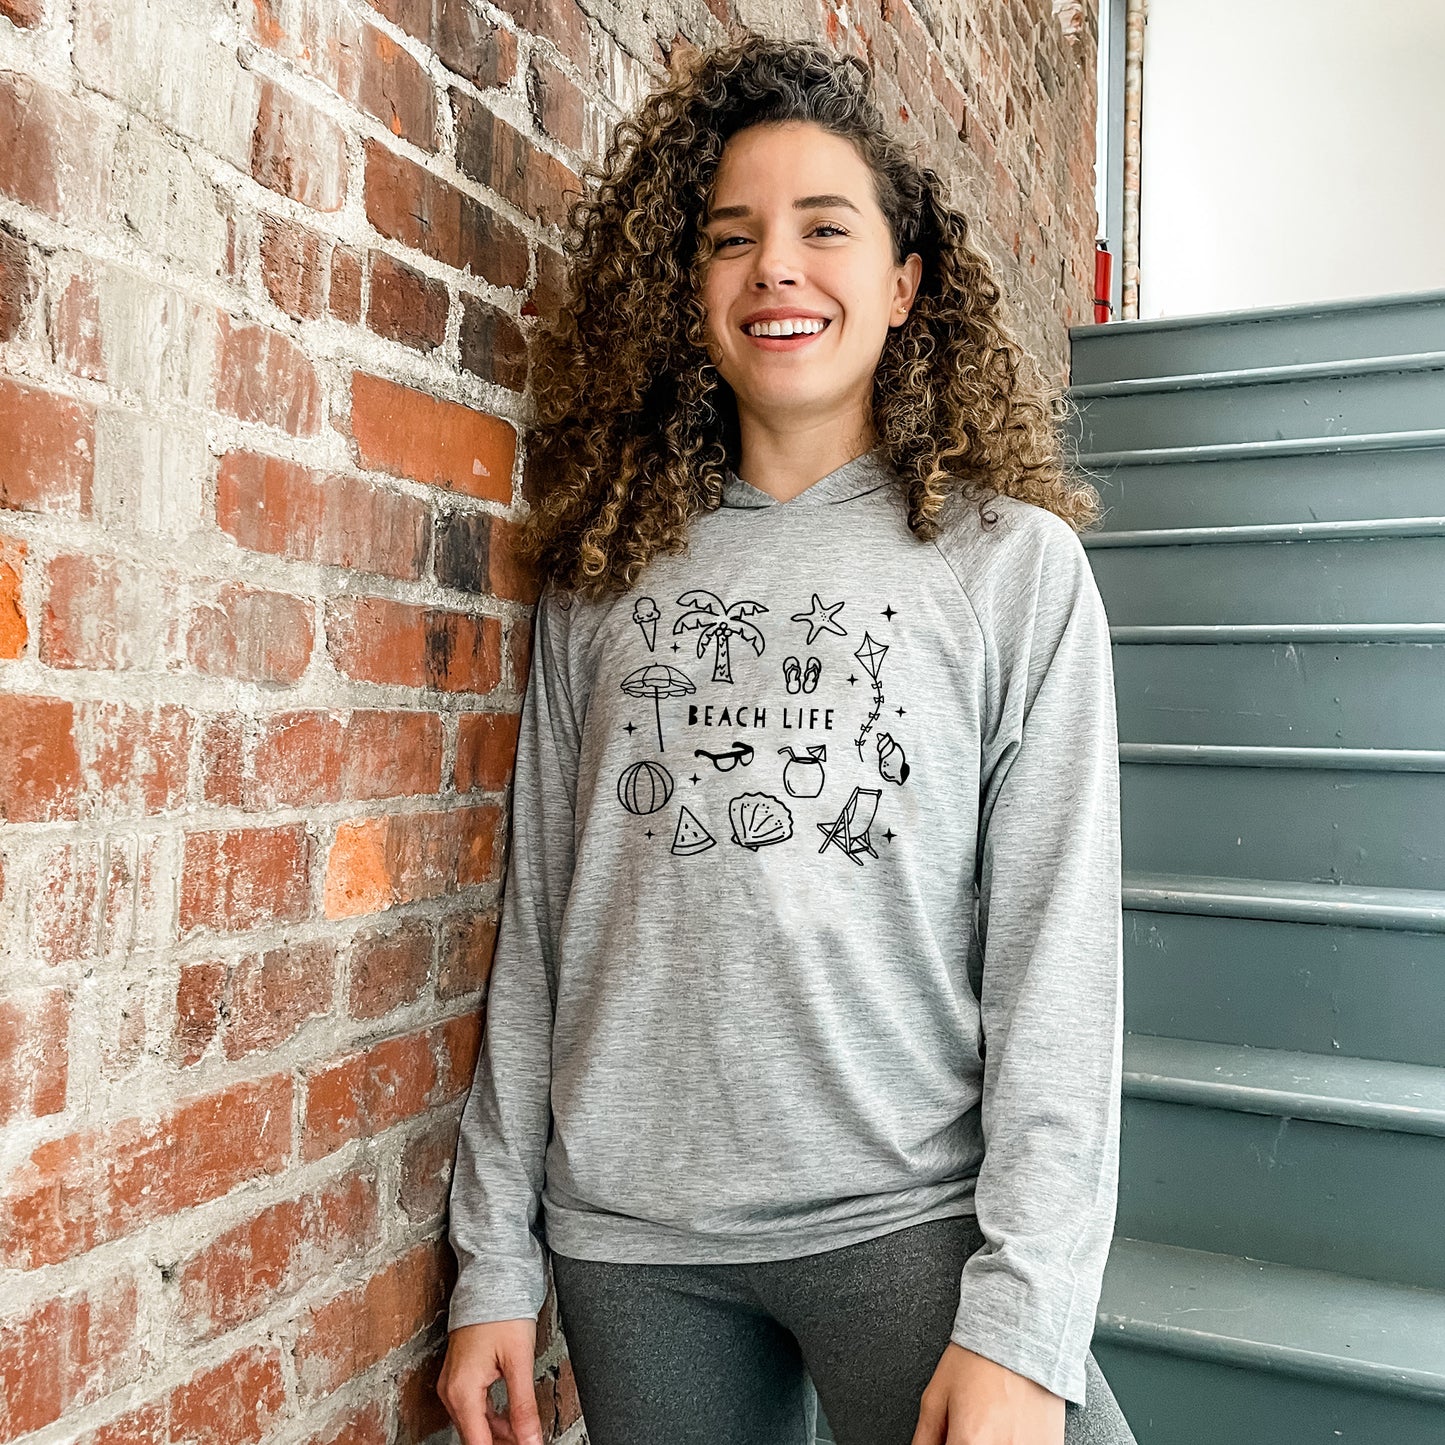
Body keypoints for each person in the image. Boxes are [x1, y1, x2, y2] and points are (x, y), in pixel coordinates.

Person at [437, 31, 1136, 1445]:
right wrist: (493, 1260)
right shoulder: (604, 574)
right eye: (730, 237)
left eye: (826, 229)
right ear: (687, 288)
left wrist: (1024, 1310)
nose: (776, 269)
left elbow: (1058, 959)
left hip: (907, 1217)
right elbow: (542, 928)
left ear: (902, 282)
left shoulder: (1011, 567)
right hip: (637, 1243)